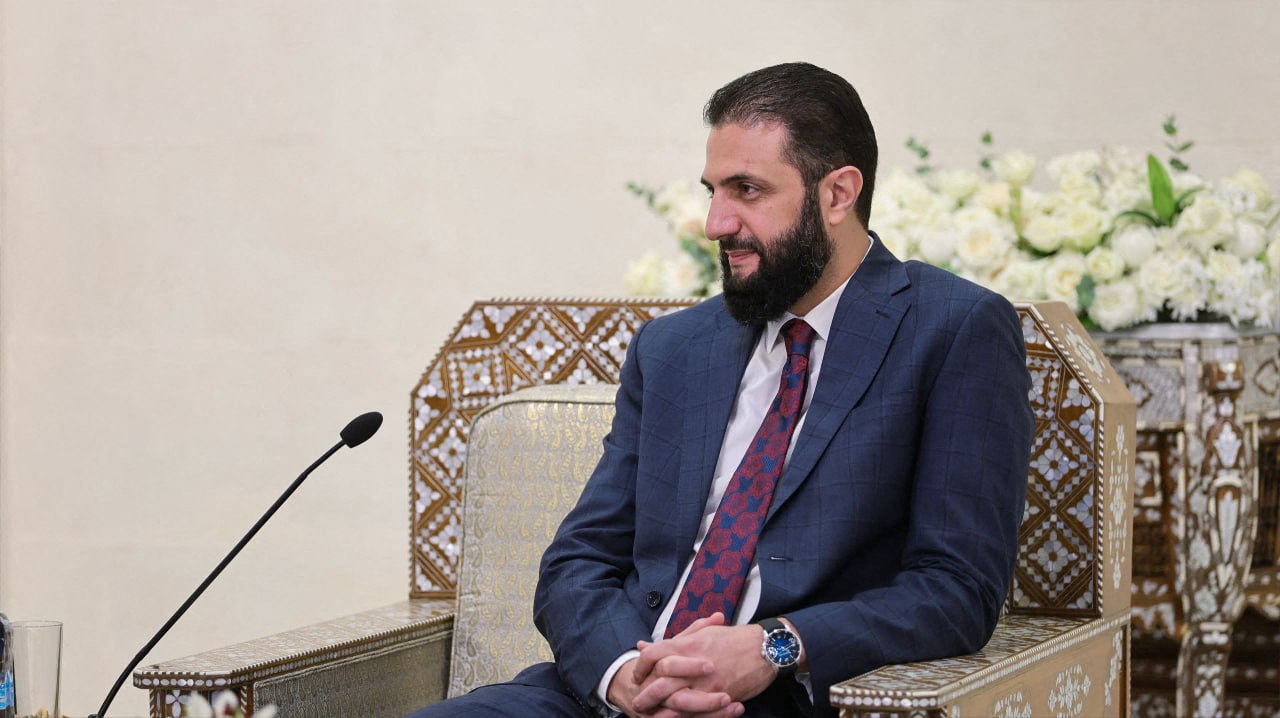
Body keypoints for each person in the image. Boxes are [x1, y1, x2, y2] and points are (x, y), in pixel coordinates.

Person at [408, 61, 1033, 718]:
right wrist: (624, 676)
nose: (715, 223)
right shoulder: (675, 348)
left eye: (747, 190)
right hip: (613, 692)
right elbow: (579, 559)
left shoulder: (952, 330)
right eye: (712, 191)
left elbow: (956, 589)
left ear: (838, 194)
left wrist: (774, 647)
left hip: (776, 700)